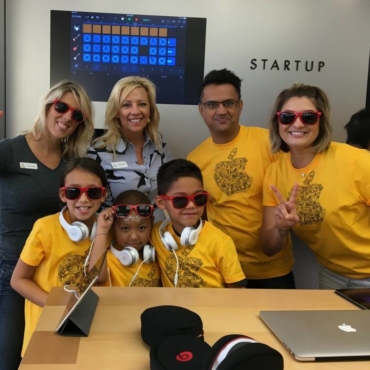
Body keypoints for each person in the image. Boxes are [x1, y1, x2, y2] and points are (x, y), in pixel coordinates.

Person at [0, 81, 94, 370]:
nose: (67, 117)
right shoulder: (11, 150)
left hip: (55, 280)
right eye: (61, 107)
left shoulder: (72, 163)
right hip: (14, 278)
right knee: (11, 360)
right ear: (47, 105)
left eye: (77, 115)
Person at [187, 68, 295, 289]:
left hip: (273, 270)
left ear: (240, 106)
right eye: (211, 104)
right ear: (201, 110)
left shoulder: (269, 142)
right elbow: (202, 217)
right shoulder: (195, 159)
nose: (221, 110)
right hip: (224, 270)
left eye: (229, 103)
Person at [261, 83, 370, 289]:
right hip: (332, 275)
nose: (298, 124)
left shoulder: (358, 162)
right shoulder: (274, 174)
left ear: (321, 121)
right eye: (288, 117)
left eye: (308, 117)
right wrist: (281, 229)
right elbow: (269, 247)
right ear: (277, 122)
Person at [11, 157, 112, 356]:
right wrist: (57, 305)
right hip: (46, 327)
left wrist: (101, 231)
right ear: (63, 195)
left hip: (87, 326)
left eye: (92, 192)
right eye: (74, 192)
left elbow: (98, 277)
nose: (83, 200)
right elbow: (18, 280)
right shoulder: (45, 228)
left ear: (103, 195)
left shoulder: (104, 229)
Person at [151, 158, 247, 288]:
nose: (191, 205)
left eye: (198, 198)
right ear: (161, 202)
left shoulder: (220, 241)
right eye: (180, 200)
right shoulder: (157, 234)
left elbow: (238, 291)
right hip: (174, 308)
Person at [87, 76, 172, 221]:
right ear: (116, 112)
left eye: (142, 104)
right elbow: (87, 202)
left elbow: (172, 190)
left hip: (156, 233)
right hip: (118, 233)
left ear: (150, 110)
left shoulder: (160, 146)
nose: (135, 111)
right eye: (126, 105)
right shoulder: (97, 152)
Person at [104, 190, 161, 287]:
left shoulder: (156, 255)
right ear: (113, 226)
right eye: (125, 228)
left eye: (142, 228)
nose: (134, 236)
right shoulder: (107, 261)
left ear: (152, 223)